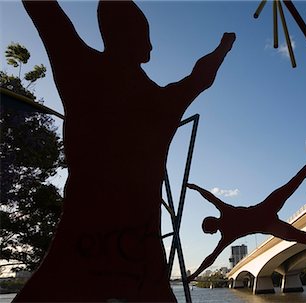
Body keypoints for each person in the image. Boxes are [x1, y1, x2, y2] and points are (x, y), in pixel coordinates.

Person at [16, 1, 235, 302]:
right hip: (141, 256)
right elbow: (202, 76)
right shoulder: (161, 103)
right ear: (130, 36)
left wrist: (222, 48)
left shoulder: (78, 68)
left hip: (81, 243)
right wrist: (224, 47)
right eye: (145, 34)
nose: (151, 46)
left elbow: (47, 14)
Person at [187, 131, 306, 281]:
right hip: (268, 217)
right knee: (299, 181)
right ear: (212, 224)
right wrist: (194, 188)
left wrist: (194, 188)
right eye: (209, 224)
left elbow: (210, 257)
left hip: (267, 215)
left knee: (300, 186)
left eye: (209, 223)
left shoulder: (226, 227)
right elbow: (210, 258)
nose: (211, 223)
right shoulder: (225, 227)